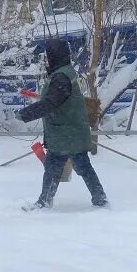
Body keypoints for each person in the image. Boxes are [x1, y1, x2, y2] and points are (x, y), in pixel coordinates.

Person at [17, 39, 109, 210]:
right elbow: (56, 100)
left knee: (78, 167)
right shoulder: (63, 73)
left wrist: (25, 114)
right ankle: (97, 198)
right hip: (65, 132)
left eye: (48, 56)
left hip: (68, 133)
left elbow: (51, 103)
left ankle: (99, 199)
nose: (46, 59)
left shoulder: (61, 77)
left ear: (54, 56)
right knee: (56, 168)